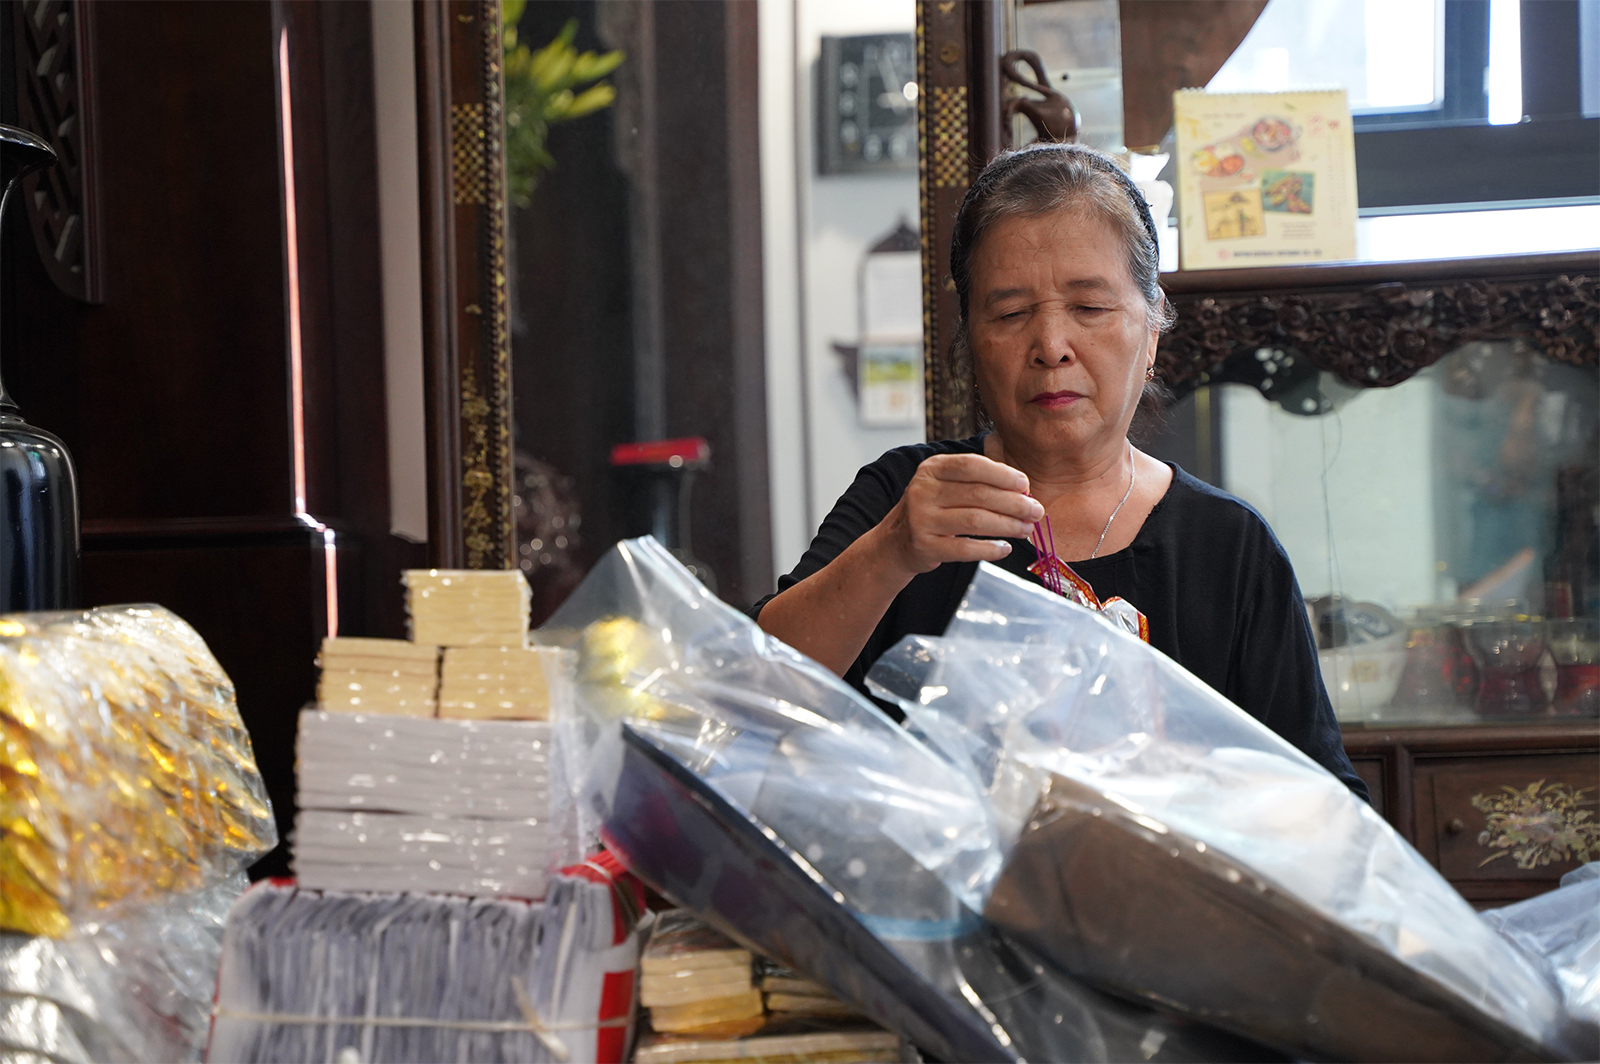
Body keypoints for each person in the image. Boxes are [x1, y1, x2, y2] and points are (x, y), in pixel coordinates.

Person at [752, 142, 1367, 798]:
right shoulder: (906, 499)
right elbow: (754, 694)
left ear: (1152, 327)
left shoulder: (1227, 546)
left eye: (1090, 307)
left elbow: (1326, 806)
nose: (1051, 347)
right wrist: (891, 552)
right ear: (968, 341)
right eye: (1012, 314)